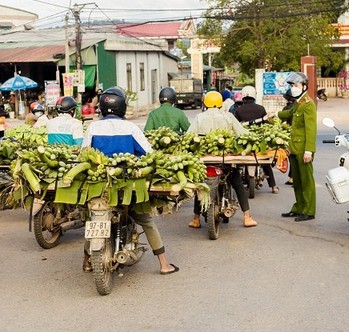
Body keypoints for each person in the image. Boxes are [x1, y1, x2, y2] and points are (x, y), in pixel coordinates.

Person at [82, 87, 178, 275]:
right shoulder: (131, 128)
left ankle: (86, 261)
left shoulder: (93, 127)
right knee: (147, 221)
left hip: (99, 186)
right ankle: (164, 264)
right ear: (122, 107)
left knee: (93, 219)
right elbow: (148, 154)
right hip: (129, 186)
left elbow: (84, 153)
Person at [187, 90, 258, 228]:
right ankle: (247, 217)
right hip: (226, 159)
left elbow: (189, 136)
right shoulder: (228, 116)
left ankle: (195, 218)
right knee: (237, 182)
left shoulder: (199, 117)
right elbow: (242, 134)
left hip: (205, 160)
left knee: (201, 186)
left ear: (205, 103)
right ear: (220, 104)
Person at [277, 72, 317, 222]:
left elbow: (311, 129)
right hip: (294, 148)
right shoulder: (298, 102)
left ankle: (309, 210)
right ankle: (299, 207)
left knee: (307, 181)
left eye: (296, 85)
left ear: (304, 87)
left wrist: (309, 150)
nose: (293, 88)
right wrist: (275, 114)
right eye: (292, 85)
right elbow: (289, 113)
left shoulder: (308, 104)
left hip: (303, 150)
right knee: (298, 182)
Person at [234, 86, 279, 194]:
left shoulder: (239, 110)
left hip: (244, 141)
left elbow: (236, 125)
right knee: (265, 162)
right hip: (259, 140)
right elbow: (266, 123)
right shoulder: (260, 108)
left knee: (236, 163)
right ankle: (273, 186)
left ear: (243, 96)